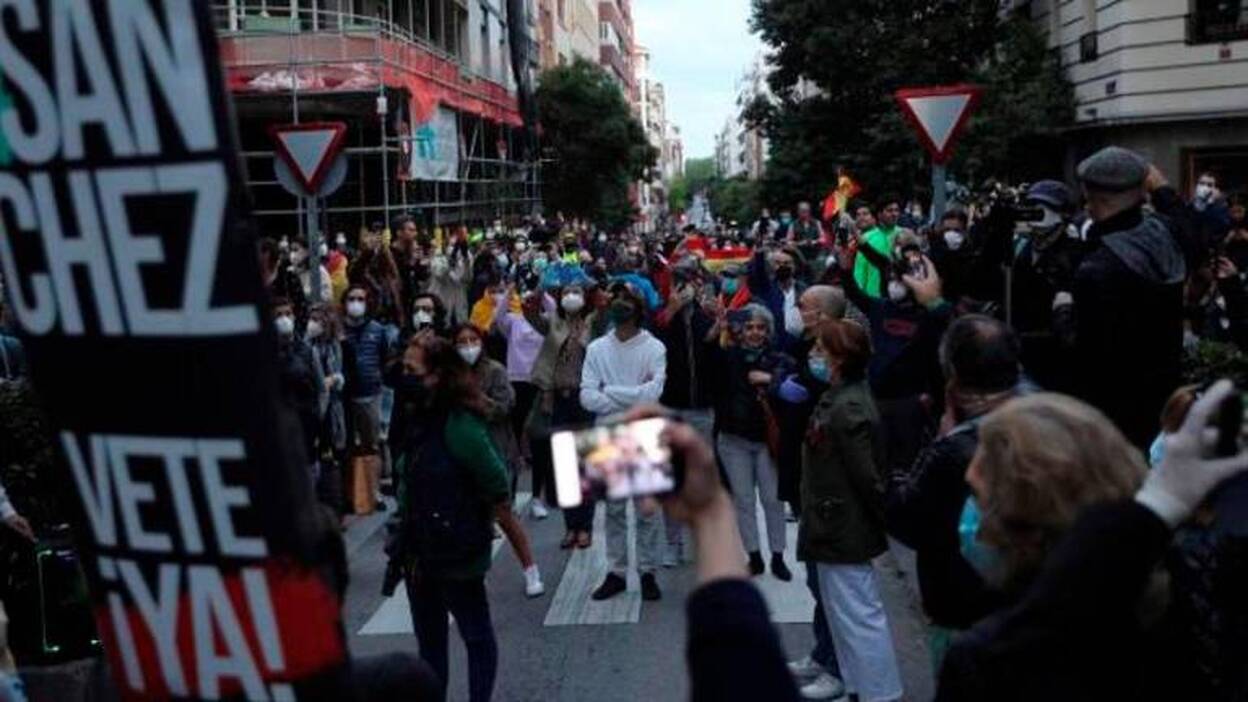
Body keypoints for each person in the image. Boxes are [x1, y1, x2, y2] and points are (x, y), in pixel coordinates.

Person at [934, 383, 1248, 701]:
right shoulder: (1173, 599)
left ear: (1031, 518)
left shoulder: (993, 663)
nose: (976, 525)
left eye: (979, 498)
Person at [884, 315, 1020, 668]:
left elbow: (906, 518)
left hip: (964, 616)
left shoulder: (955, 451)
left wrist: (932, 446)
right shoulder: (1045, 424)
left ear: (953, 379)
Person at [395, 337, 508, 702]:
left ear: (438, 375)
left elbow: (497, 480)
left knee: (476, 636)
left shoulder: (460, 425)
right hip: (418, 553)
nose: (405, 377)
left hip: (457, 553)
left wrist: (464, 509)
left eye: (412, 370)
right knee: (430, 647)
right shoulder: (415, 416)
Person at [800, 319, 903, 702]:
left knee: (859, 616)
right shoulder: (839, 398)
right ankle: (858, 686)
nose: (815, 356)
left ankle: (881, 693)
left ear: (839, 358)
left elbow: (869, 479)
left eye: (821, 349)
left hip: (844, 526)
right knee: (843, 614)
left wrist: (878, 522)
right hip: (833, 523)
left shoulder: (849, 407)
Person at [1059, 147, 1186, 450]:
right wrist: (1163, 189)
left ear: (1090, 199)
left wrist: (1062, 310)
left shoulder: (1098, 270)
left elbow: (1081, 350)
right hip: (1164, 405)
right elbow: (1187, 225)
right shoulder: (1164, 236)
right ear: (1142, 192)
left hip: (1113, 419)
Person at [580, 285, 668, 602]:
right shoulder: (597, 349)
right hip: (607, 434)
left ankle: (648, 571)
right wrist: (633, 394)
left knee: (647, 510)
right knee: (614, 511)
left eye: (626, 300)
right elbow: (587, 396)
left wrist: (610, 390)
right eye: (615, 298)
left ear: (638, 308)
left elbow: (653, 393)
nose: (619, 305)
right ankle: (616, 572)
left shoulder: (654, 347)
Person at [453, 324, 545, 598]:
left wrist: (476, 400)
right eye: (462, 342)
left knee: (504, 514)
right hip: (462, 452)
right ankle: (477, 575)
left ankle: (531, 571)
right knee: (472, 517)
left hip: (494, 449)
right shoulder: (451, 374)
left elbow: (505, 408)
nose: (468, 346)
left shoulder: (495, 371)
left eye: (472, 340)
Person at [709, 303, 795, 581]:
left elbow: (793, 381)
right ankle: (754, 556)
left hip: (767, 442)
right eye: (749, 327)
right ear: (740, 331)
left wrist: (770, 379)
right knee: (743, 500)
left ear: (768, 331)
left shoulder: (779, 358)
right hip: (733, 439)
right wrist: (718, 329)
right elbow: (707, 362)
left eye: (760, 328)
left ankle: (778, 556)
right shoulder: (727, 357)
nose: (755, 333)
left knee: (772, 500)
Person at [526, 273, 601, 550]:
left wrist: (589, 283)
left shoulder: (593, 322)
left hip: (584, 399)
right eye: (567, 292)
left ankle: (586, 527)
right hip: (557, 400)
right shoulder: (553, 323)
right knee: (565, 465)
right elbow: (530, 313)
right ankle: (571, 527)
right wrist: (540, 287)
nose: (571, 297)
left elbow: (604, 304)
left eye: (576, 292)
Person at [656, 261, 717, 566]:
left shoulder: (706, 314)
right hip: (670, 406)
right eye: (677, 283)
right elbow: (654, 341)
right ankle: (673, 542)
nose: (683, 289)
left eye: (688, 282)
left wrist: (716, 318)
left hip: (702, 406)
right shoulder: (660, 315)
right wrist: (671, 309)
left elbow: (715, 347)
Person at [491, 284, 552, 518]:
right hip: (516, 383)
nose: (530, 303)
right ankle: (512, 496)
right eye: (526, 300)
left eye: (533, 300)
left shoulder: (546, 322)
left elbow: (555, 311)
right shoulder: (513, 322)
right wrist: (509, 292)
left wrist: (543, 293)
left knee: (539, 443)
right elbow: (498, 315)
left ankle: (536, 497)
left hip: (539, 384)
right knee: (514, 443)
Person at [341, 284, 392, 513]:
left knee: (372, 444)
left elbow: (384, 359)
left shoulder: (378, 330)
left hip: (371, 394)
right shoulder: (339, 330)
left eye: (360, 299)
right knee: (349, 445)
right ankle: (352, 493)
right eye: (351, 299)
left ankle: (373, 492)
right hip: (345, 396)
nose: (356, 303)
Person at [272, 297, 323, 477]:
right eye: (278, 315)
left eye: (288, 314)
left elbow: (320, 388)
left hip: (305, 425)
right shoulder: (264, 353)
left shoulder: (307, 351)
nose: (284, 319)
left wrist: (317, 418)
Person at [306, 304, 347, 519]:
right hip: (312, 407)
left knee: (330, 458)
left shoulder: (334, 345)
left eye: (318, 320)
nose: (312, 324)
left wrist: (332, 380)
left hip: (332, 408)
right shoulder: (304, 344)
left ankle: (333, 509)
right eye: (311, 319)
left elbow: (342, 376)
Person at [852, 196, 903, 298]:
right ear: (879, 215)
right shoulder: (867, 238)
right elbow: (860, 268)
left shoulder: (905, 234)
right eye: (889, 210)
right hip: (872, 296)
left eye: (896, 210)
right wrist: (858, 294)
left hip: (897, 296)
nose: (894, 214)